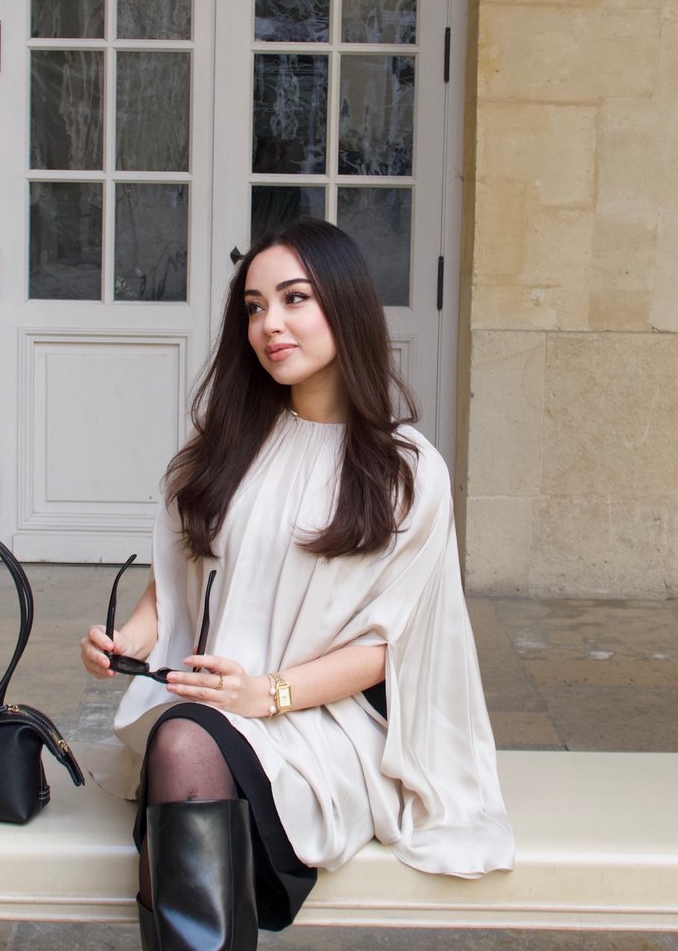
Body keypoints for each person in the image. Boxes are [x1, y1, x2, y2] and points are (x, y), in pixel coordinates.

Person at [81, 218, 514, 951]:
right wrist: (129, 640)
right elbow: (179, 580)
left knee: (183, 747)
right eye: (254, 307)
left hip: (323, 726)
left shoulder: (406, 471)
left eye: (294, 299)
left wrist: (268, 694)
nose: (269, 325)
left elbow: (389, 645)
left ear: (344, 304)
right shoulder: (223, 448)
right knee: (185, 740)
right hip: (214, 707)